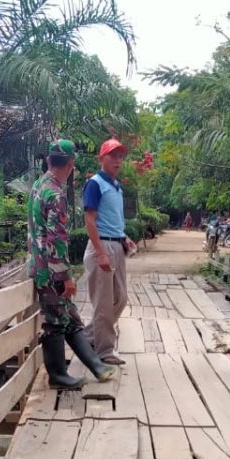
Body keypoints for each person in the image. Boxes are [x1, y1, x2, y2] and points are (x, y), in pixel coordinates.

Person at [27, 139, 115, 389]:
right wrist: (65, 276)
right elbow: (57, 237)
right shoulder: (55, 194)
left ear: (48, 161)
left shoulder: (38, 186)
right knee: (55, 322)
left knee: (71, 317)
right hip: (51, 271)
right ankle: (58, 376)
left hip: (40, 264)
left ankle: (97, 367)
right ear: (71, 164)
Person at [82, 137, 136, 365]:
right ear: (101, 158)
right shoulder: (95, 183)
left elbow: (112, 219)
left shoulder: (116, 186)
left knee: (121, 298)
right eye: (112, 155)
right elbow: (90, 220)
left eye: (120, 156)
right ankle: (104, 350)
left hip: (116, 244)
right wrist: (100, 252)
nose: (117, 160)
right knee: (103, 302)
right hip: (101, 246)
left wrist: (124, 237)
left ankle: (87, 336)